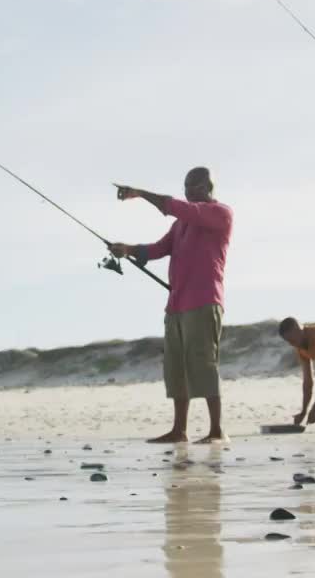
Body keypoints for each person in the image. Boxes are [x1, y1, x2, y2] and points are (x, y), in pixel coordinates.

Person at [110, 167, 233, 444]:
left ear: (208, 186)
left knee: (204, 364)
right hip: (176, 304)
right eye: (186, 187)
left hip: (204, 301)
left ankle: (216, 430)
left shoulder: (219, 214)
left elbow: (174, 207)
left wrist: (140, 194)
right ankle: (180, 430)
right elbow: (158, 249)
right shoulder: (180, 225)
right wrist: (127, 249)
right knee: (176, 368)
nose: (189, 192)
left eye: (194, 186)